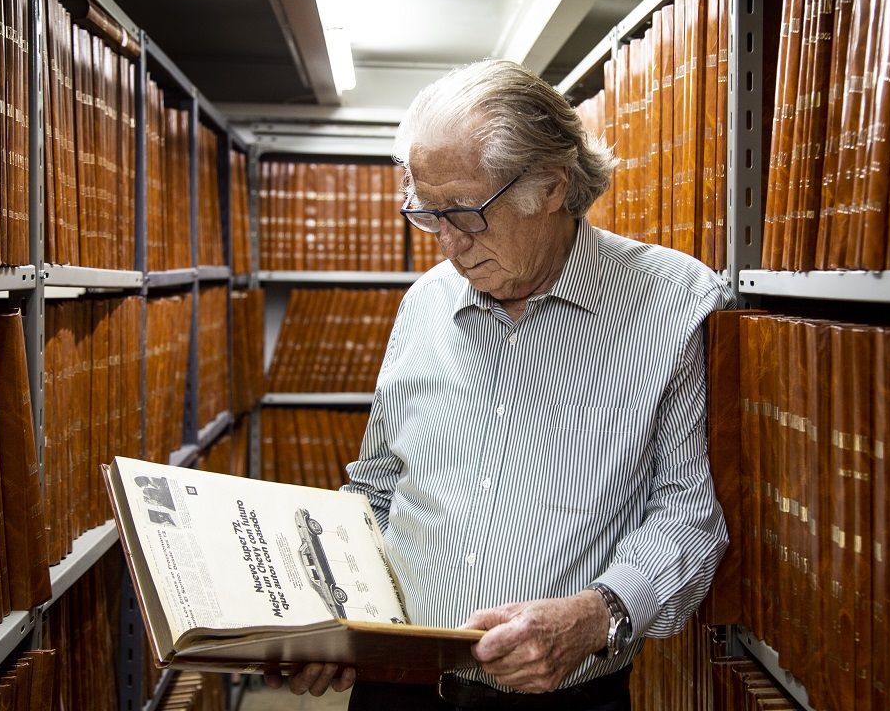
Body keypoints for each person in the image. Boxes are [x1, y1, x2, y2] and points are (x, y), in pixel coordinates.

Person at [267, 59, 732, 709]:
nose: (448, 246)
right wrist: (330, 610)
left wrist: (596, 616)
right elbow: (377, 489)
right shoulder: (425, 304)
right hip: (395, 685)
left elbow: (688, 513)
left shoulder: (674, 302)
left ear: (549, 186)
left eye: (465, 213)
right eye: (429, 216)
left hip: (560, 697)